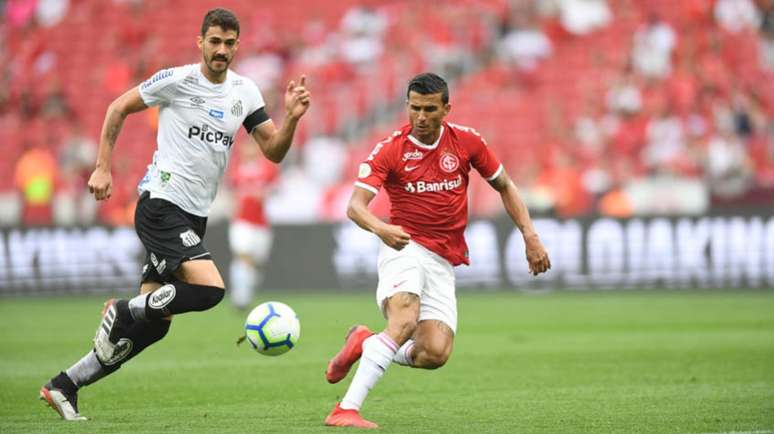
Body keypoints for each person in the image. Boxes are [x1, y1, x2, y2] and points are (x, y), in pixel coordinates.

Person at [39, 8, 310, 421]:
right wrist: (102, 166)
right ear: (199, 42)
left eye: (229, 43)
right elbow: (117, 107)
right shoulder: (176, 80)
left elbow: (272, 150)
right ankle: (124, 309)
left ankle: (65, 385)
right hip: (161, 204)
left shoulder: (245, 92)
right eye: (214, 41)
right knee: (210, 291)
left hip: (193, 215)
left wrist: (290, 117)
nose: (222, 50)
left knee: (156, 324)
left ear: (238, 45)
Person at [323, 72, 550, 429]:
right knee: (404, 319)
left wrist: (530, 235)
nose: (421, 117)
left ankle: (365, 342)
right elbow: (355, 206)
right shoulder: (391, 148)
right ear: (407, 106)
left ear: (447, 108)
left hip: (443, 258)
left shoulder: (467, 142)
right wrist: (383, 229)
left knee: (434, 353)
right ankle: (346, 409)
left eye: (430, 109)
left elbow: (505, 186)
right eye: (415, 108)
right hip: (404, 245)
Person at [228, 142, 279, 309]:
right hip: (242, 221)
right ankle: (240, 298)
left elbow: (274, 189)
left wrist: (263, 194)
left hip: (261, 224)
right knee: (243, 256)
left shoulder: (267, 169)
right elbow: (233, 195)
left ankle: (246, 290)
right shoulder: (236, 171)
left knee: (256, 263)